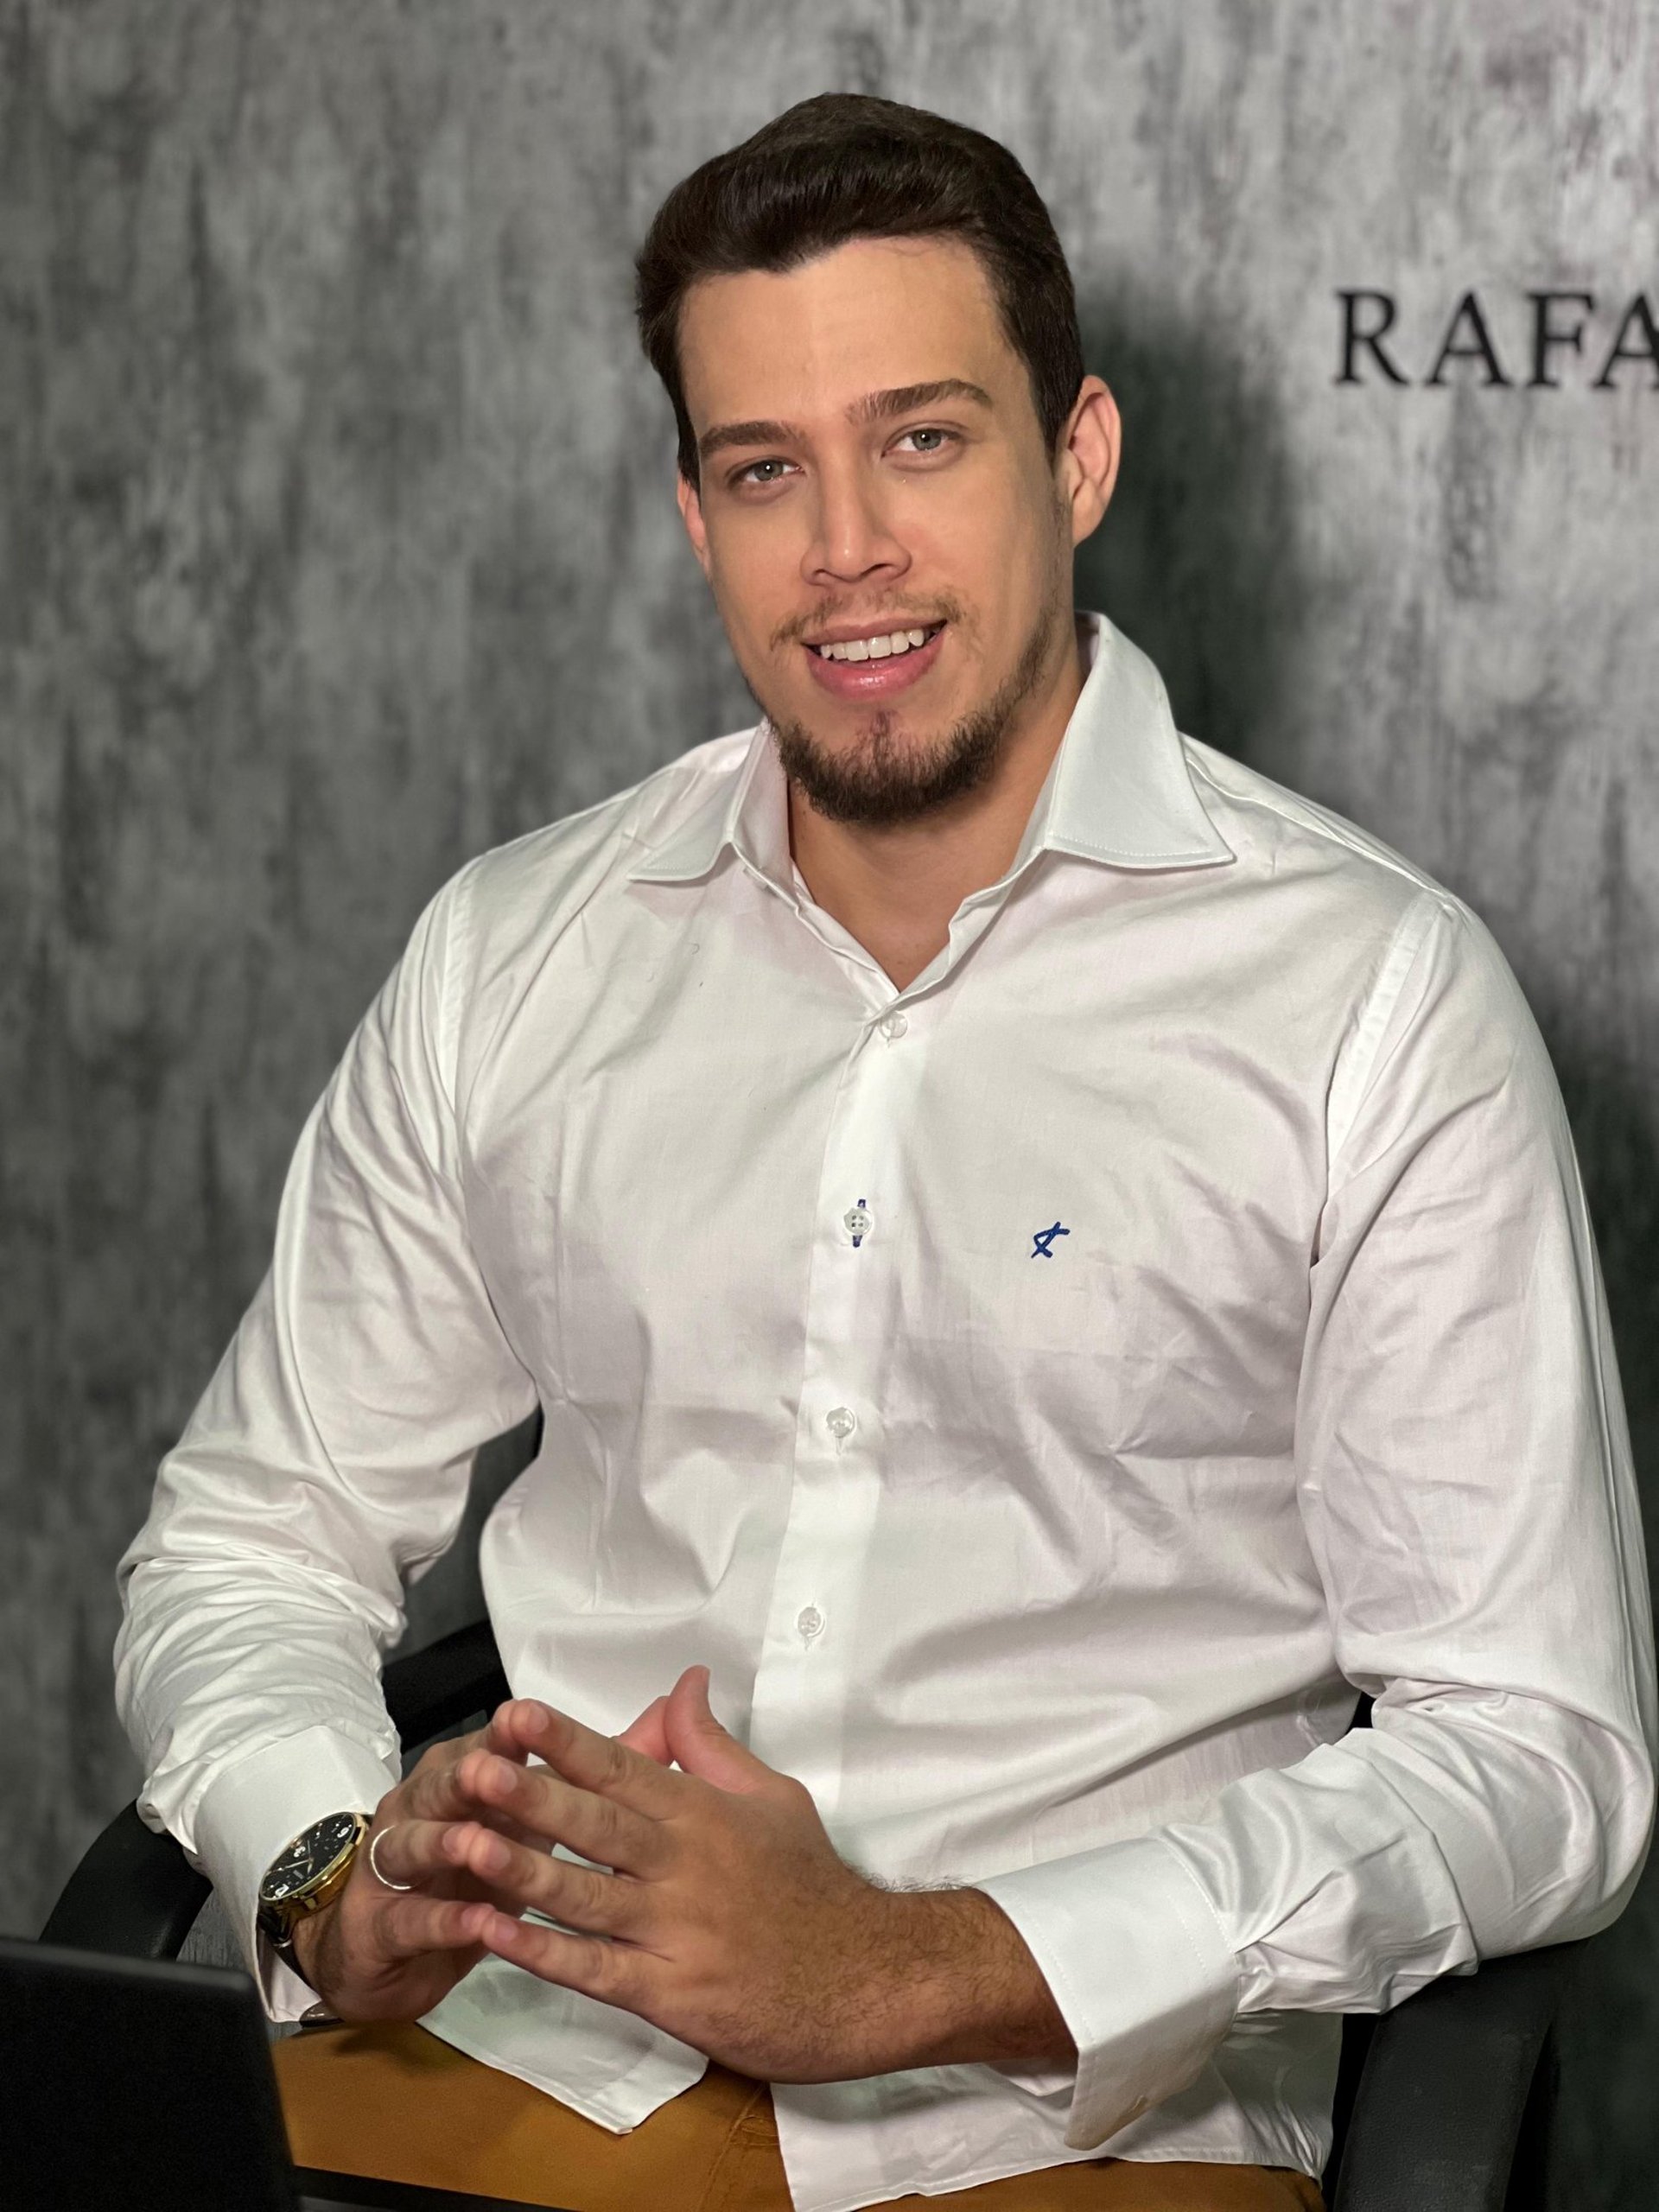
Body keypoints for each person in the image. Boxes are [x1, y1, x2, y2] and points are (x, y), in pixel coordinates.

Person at [114, 92, 1655, 2212]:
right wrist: (321, 1872)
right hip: (530, 2064)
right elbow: (249, 1532)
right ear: (694, 513)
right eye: (768, 468)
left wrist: (920, 1964)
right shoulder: (517, 951)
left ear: (1078, 453)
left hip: (1082, 2120)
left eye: (920, 438)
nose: (843, 546)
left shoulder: (1372, 999)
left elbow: (1538, 1753)